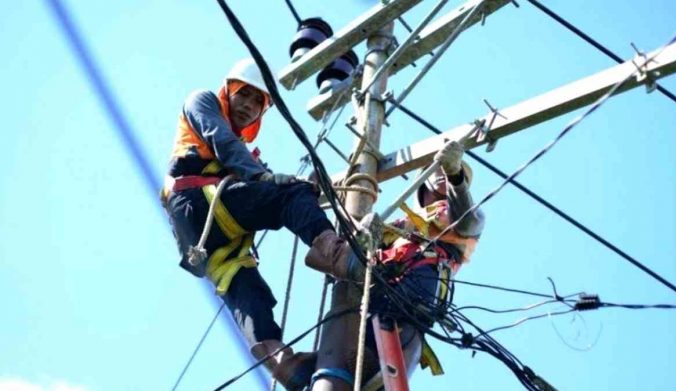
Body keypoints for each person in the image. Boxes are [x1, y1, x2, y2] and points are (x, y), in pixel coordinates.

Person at [161, 58, 362, 390]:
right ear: (228, 90)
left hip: (208, 234)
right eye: (244, 95)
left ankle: (286, 366)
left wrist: (304, 187)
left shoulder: (244, 154)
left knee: (251, 295)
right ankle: (332, 253)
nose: (249, 107)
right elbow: (221, 142)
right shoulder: (203, 102)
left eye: (258, 103)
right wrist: (277, 183)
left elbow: (258, 177)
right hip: (196, 203)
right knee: (289, 197)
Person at [305, 139, 486, 389]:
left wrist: (456, 174)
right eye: (441, 171)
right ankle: (325, 367)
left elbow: (468, 222)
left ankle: (370, 362)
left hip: (418, 287)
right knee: (346, 321)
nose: (446, 175)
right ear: (426, 180)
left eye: (457, 174)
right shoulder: (399, 225)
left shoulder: (461, 216)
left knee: (401, 315)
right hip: (377, 284)